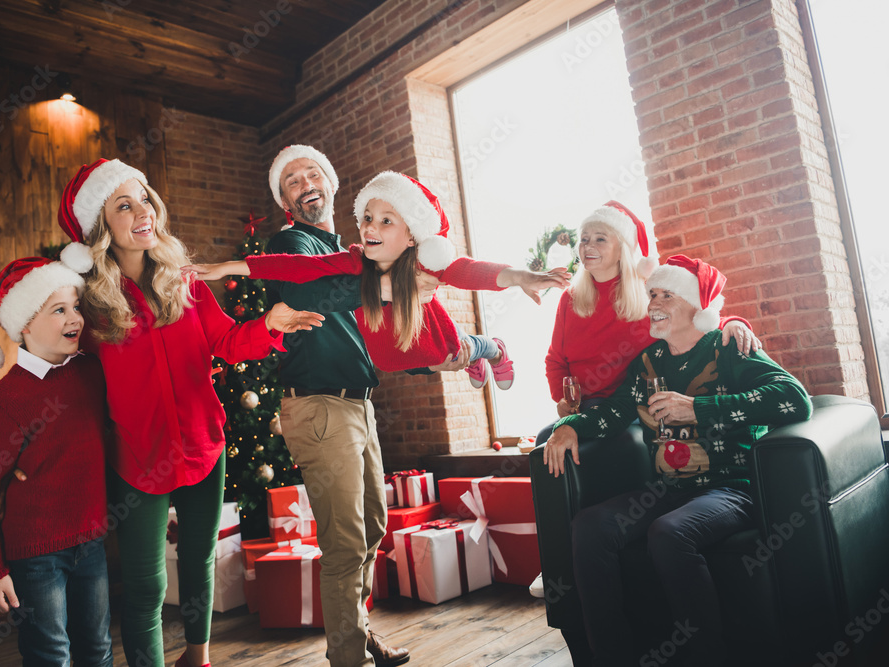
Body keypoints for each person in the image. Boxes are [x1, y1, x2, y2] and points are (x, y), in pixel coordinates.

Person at [56, 158, 323, 667]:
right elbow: (72, 385)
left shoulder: (186, 284)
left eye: (145, 199)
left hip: (204, 443)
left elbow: (226, 340)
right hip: (137, 456)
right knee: (147, 584)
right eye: (124, 205)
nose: (143, 212)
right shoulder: (89, 307)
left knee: (199, 560)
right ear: (101, 228)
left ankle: (196, 658)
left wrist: (270, 322)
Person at [543, 254, 812, 667]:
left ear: (697, 307)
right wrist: (574, 425)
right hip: (669, 490)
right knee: (590, 526)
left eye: (668, 295)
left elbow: (795, 400)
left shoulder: (728, 348)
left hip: (731, 489)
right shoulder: (646, 363)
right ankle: (610, 658)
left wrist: (698, 409)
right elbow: (616, 411)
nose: (654, 303)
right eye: (653, 294)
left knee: (669, 533)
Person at [529, 201, 758, 598]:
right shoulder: (571, 299)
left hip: (630, 411)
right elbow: (555, 360)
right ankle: (558, 561)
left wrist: (735, 323)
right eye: (584, 239)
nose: (588, 246)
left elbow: (694, 307)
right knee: (547, 438)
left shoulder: (645, 297)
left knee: (604, 448)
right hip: (593, 408)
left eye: (601, 238)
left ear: (623, 247)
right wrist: (564, 406)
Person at [248, 145, 412, 667]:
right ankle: (347, 657)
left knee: (373, 527)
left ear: (332, 184)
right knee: (345, 542)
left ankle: (357, 633)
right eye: (292, 181)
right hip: (319, 407)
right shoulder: (291, 243)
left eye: (312, 174)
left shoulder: (345, 247)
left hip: (357, 406)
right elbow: (313, 299)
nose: (305, 184)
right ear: (285, 201)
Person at [185, 170, 568, 389]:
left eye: (386, 220)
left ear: (412, 234)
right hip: (388, 353)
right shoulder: (356, 260)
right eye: (368, 217)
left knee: (452, 353)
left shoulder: (424, 262)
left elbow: (471, 271)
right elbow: (293, 267)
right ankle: (473, 354)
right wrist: (227, 268)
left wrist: (520, 277)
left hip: (428, 336)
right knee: (422, 361)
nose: (370, 227)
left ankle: (493, 349)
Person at [0, 257, 113, 667]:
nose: (75, 317)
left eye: (76, 306)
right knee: (50, 655)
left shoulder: (91, 372)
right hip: (34, 557)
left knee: (98, 651)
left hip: (91, 545)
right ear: (25, 325)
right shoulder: (8, 400)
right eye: (59, 309)